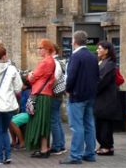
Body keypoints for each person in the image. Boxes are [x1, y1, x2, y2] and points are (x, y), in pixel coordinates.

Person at [60, 30, 99, 165]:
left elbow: (71, 76)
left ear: (74, 41)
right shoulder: (93, 56)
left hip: (77, 95)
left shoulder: (76, 56)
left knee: (77, 126)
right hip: (90, 95)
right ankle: (90, 153)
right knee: (89, 124)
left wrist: (68, 90)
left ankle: (75, 155)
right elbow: (96, 76)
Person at [26, 39, 56, 158]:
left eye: (40, 48)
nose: (38, 50)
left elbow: (31, 78)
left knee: (40, 122)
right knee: (43, 122)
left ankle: (43, 149)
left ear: (47, 49)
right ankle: (44, 148)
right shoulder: (51, 61)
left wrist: (29, 75)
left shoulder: (45, 62)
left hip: (41, 94)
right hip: (45, 93)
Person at [93, 41, 121, 157]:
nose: (97, 50)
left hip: (107, 100)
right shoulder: (102, 62)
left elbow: (102, 81)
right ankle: (104, 145)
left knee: (105, 124)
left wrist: (92, 89)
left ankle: (107, 147)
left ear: (107, 50)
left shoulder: (109, 64)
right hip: (102, 99)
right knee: (100, 123)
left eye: (100, 48)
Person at [50, 40, 66, 157]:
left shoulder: (55, 62)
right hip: (59, 94)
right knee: (57, 120)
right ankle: (61, 144)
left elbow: (54, 78)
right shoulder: (60, 61)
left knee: (53, 121)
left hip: (54, 94)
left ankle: (56, 146)